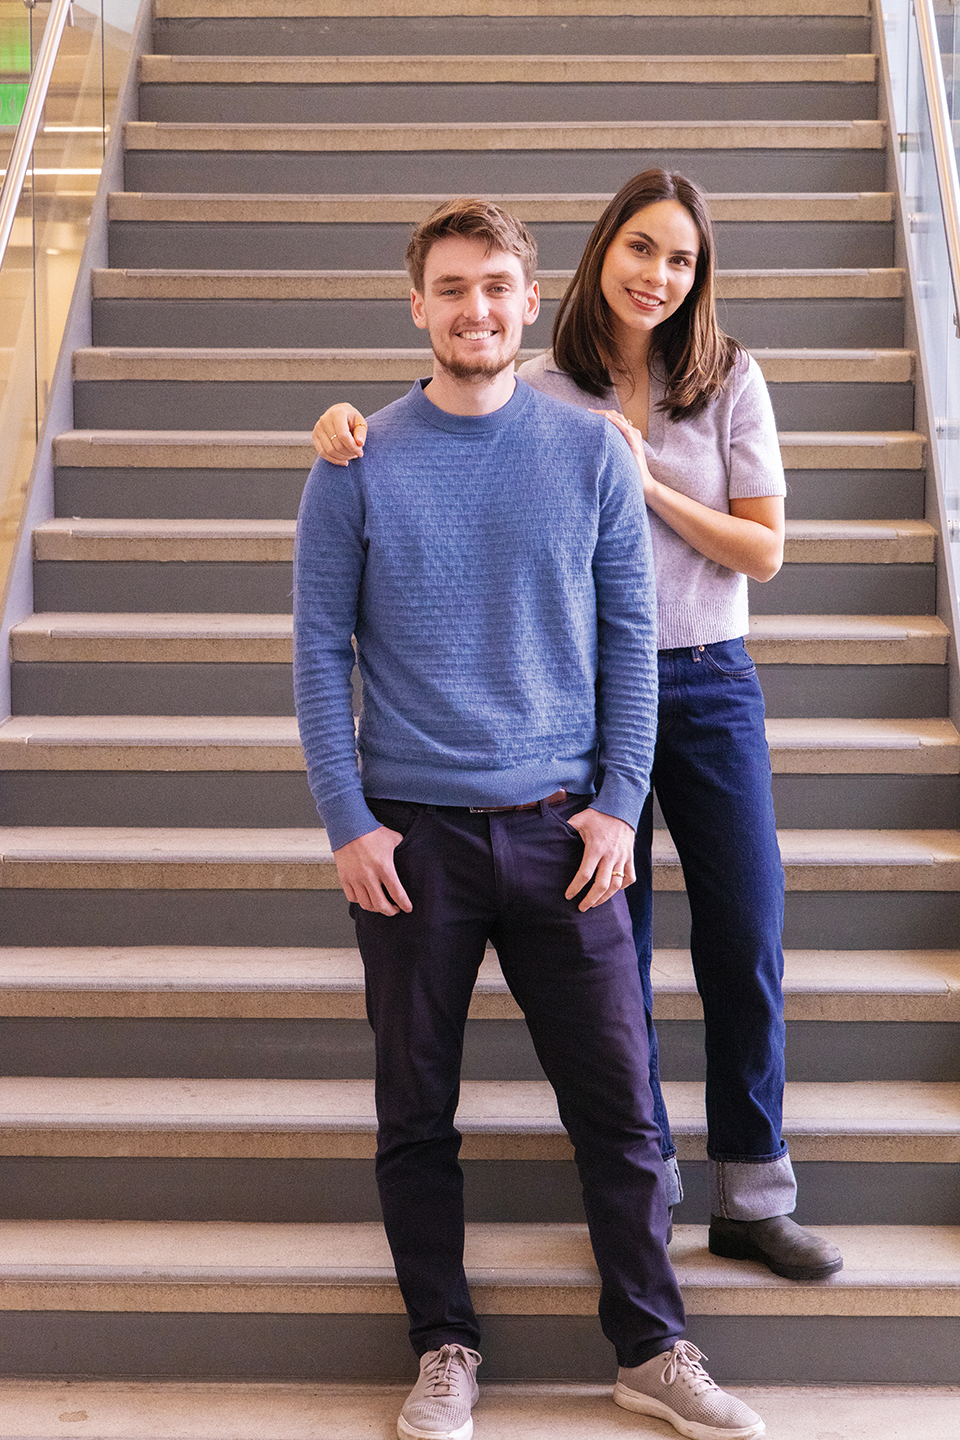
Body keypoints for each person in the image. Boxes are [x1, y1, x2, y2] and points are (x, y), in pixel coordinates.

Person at [311, 170, 843, 1285]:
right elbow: (452, 426)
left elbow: (763, 551)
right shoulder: (541, 384)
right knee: (621, 951)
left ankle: (755, 1186)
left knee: (745, 932)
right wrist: (351, 421)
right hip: (583, 698)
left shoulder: (730, 382)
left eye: (683, 259)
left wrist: (640, 475)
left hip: (705, 676)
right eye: (642, 249)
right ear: (600, 258)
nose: (659, 274)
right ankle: (650, 1174)